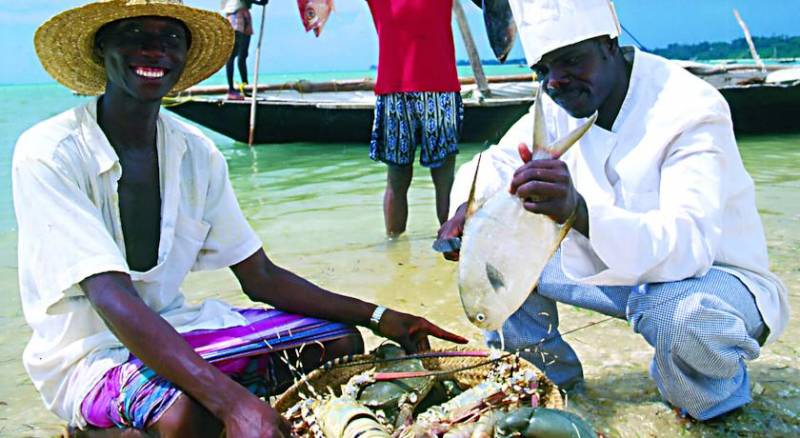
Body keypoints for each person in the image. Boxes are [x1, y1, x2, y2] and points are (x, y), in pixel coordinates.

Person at [17, 1, 467, 436]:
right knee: (184, 417)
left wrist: (381, 315)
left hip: (179, 332)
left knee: (339, 345)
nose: (154, 51)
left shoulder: (195, 152)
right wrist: (233, 405)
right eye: (134, 36)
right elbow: (110, 296)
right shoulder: (51, 153)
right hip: (91, 354)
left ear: (184, 56)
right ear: (101, 48)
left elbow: (260, 275)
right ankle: (102, 429)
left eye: (169, 38)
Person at [437, 0, 789, 421]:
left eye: (570, 61)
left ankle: (713, 408)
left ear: (609, 45)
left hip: (713, 282)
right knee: (496, 254)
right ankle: (548, 385)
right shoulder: (557, 100)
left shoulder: (691, 107)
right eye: (542, 70)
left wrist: (578, 212)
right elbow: (497, 162)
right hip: (622, 276)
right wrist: (468, 212)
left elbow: (687, 245)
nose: (555, 82)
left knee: (678, 316)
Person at [366, 0, 464, 238]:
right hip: (395, 92)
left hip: (439, 90)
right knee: (398, 178)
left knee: (444, 179)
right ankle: (396, 249)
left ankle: (452, 246)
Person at [221, 0, 268, 100]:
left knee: (243, 55)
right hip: (235, 16)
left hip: (244, 15)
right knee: (232, 55)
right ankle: (231, 89)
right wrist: (259, 2)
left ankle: (244, 87)